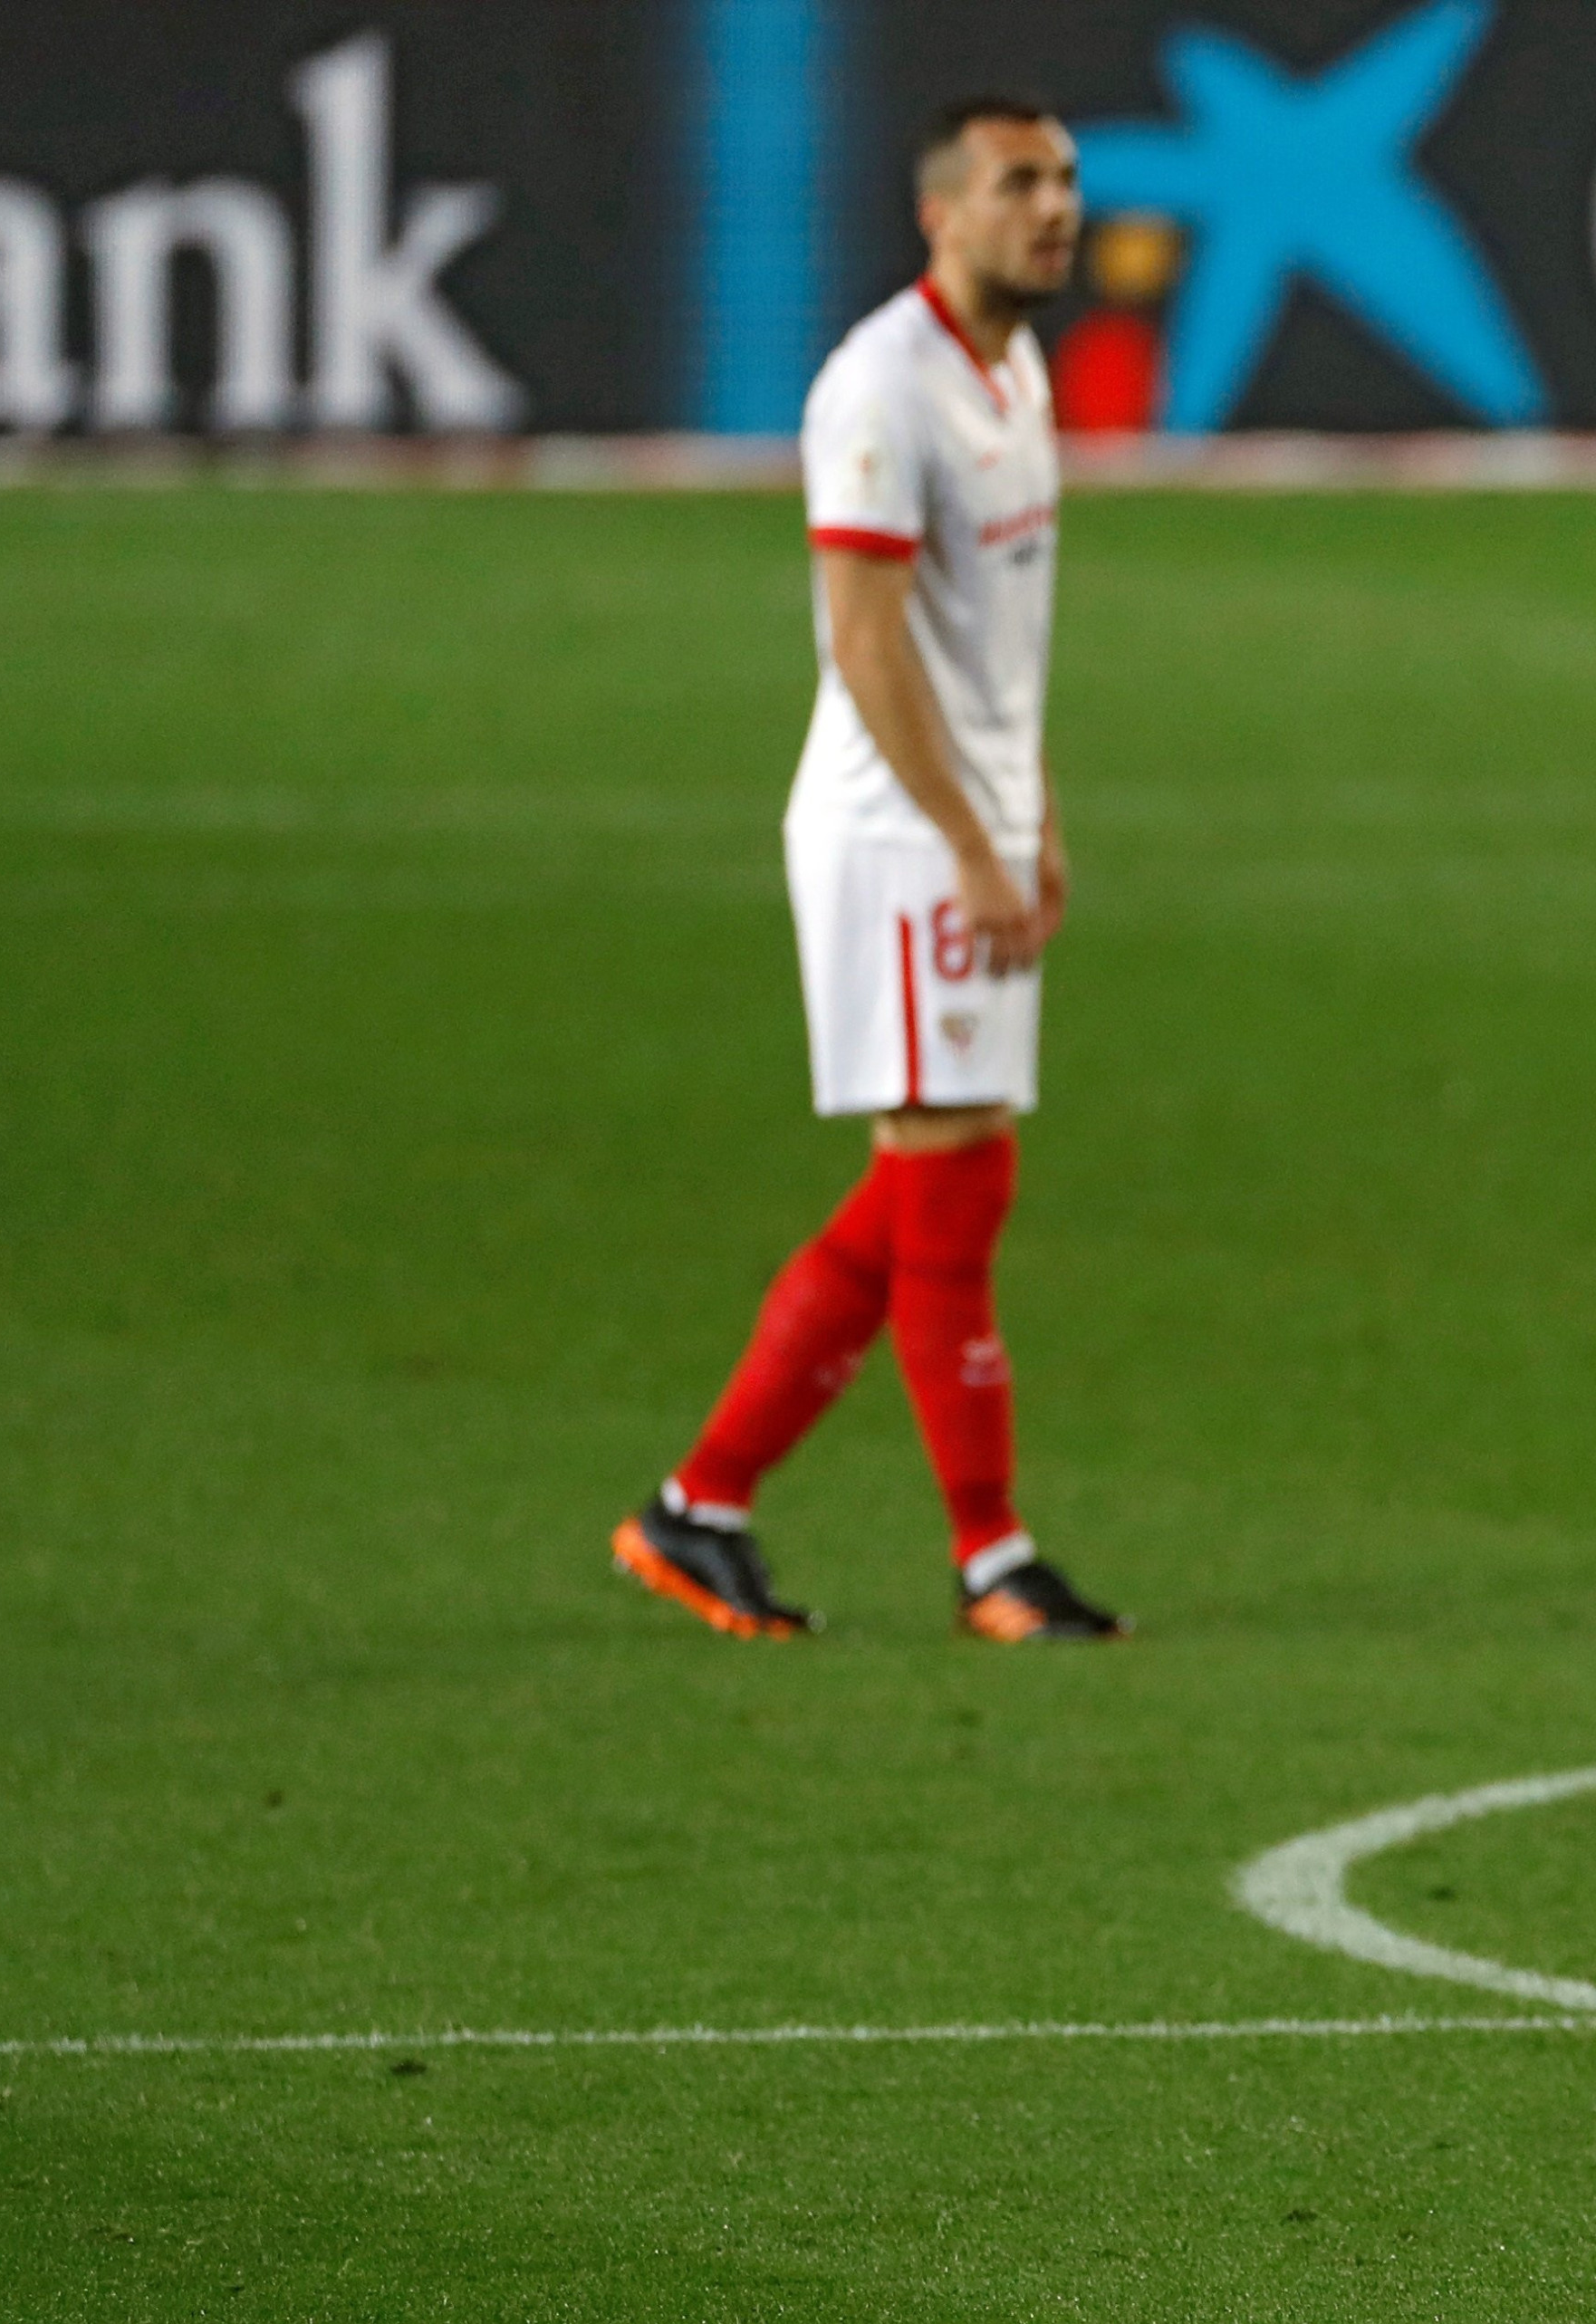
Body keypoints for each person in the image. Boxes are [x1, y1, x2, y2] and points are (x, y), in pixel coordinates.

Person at [611, 95, 1128, 1646]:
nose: (1053, 210)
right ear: (940, 214)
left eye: (1065, 183)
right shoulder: (878, 389)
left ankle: (697, 1510)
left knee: (925, 1185)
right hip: (896, 835)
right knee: (958, 1182)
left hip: (967, 825)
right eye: (1017, 185)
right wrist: (969, 841)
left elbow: (999, 645)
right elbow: (865, 636)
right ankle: (990, 1559)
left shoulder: (1017, 370)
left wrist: (1028, 815)